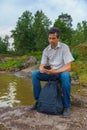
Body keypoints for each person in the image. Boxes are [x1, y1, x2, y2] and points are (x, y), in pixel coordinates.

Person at [29, 27, 74, 117]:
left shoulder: (64, 47)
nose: (51, 40)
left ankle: (66, 106)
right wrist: (42, 68)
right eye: (49, 38)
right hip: (50, 73)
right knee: (35, 74)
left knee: (65, 76)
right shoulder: (46, 50)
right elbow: (42, 64)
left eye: (53, 38)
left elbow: (68, 67)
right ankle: (38, 101)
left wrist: (55, 71)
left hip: (61, 73)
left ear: (58, 38)